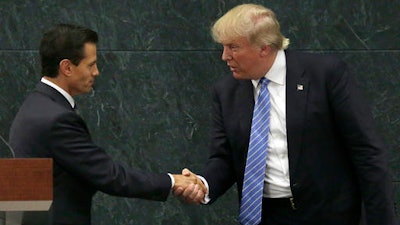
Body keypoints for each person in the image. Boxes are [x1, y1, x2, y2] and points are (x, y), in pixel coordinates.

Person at [174, 3, 398, 225]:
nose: (225, 56)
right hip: (266, 216)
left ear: (264, 48)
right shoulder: (226, 92)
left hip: (328, 214)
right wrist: (203, 184)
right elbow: (224, 158)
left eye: (233, 47)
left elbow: (367, 152)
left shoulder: (325, 75)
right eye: (223, 47)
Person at [9, 24, 205, 225]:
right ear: (67, 67)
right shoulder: (57, 119)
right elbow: (110, 176)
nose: (96, 72)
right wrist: (173, 181)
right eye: (90, 65)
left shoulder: (35, 105)